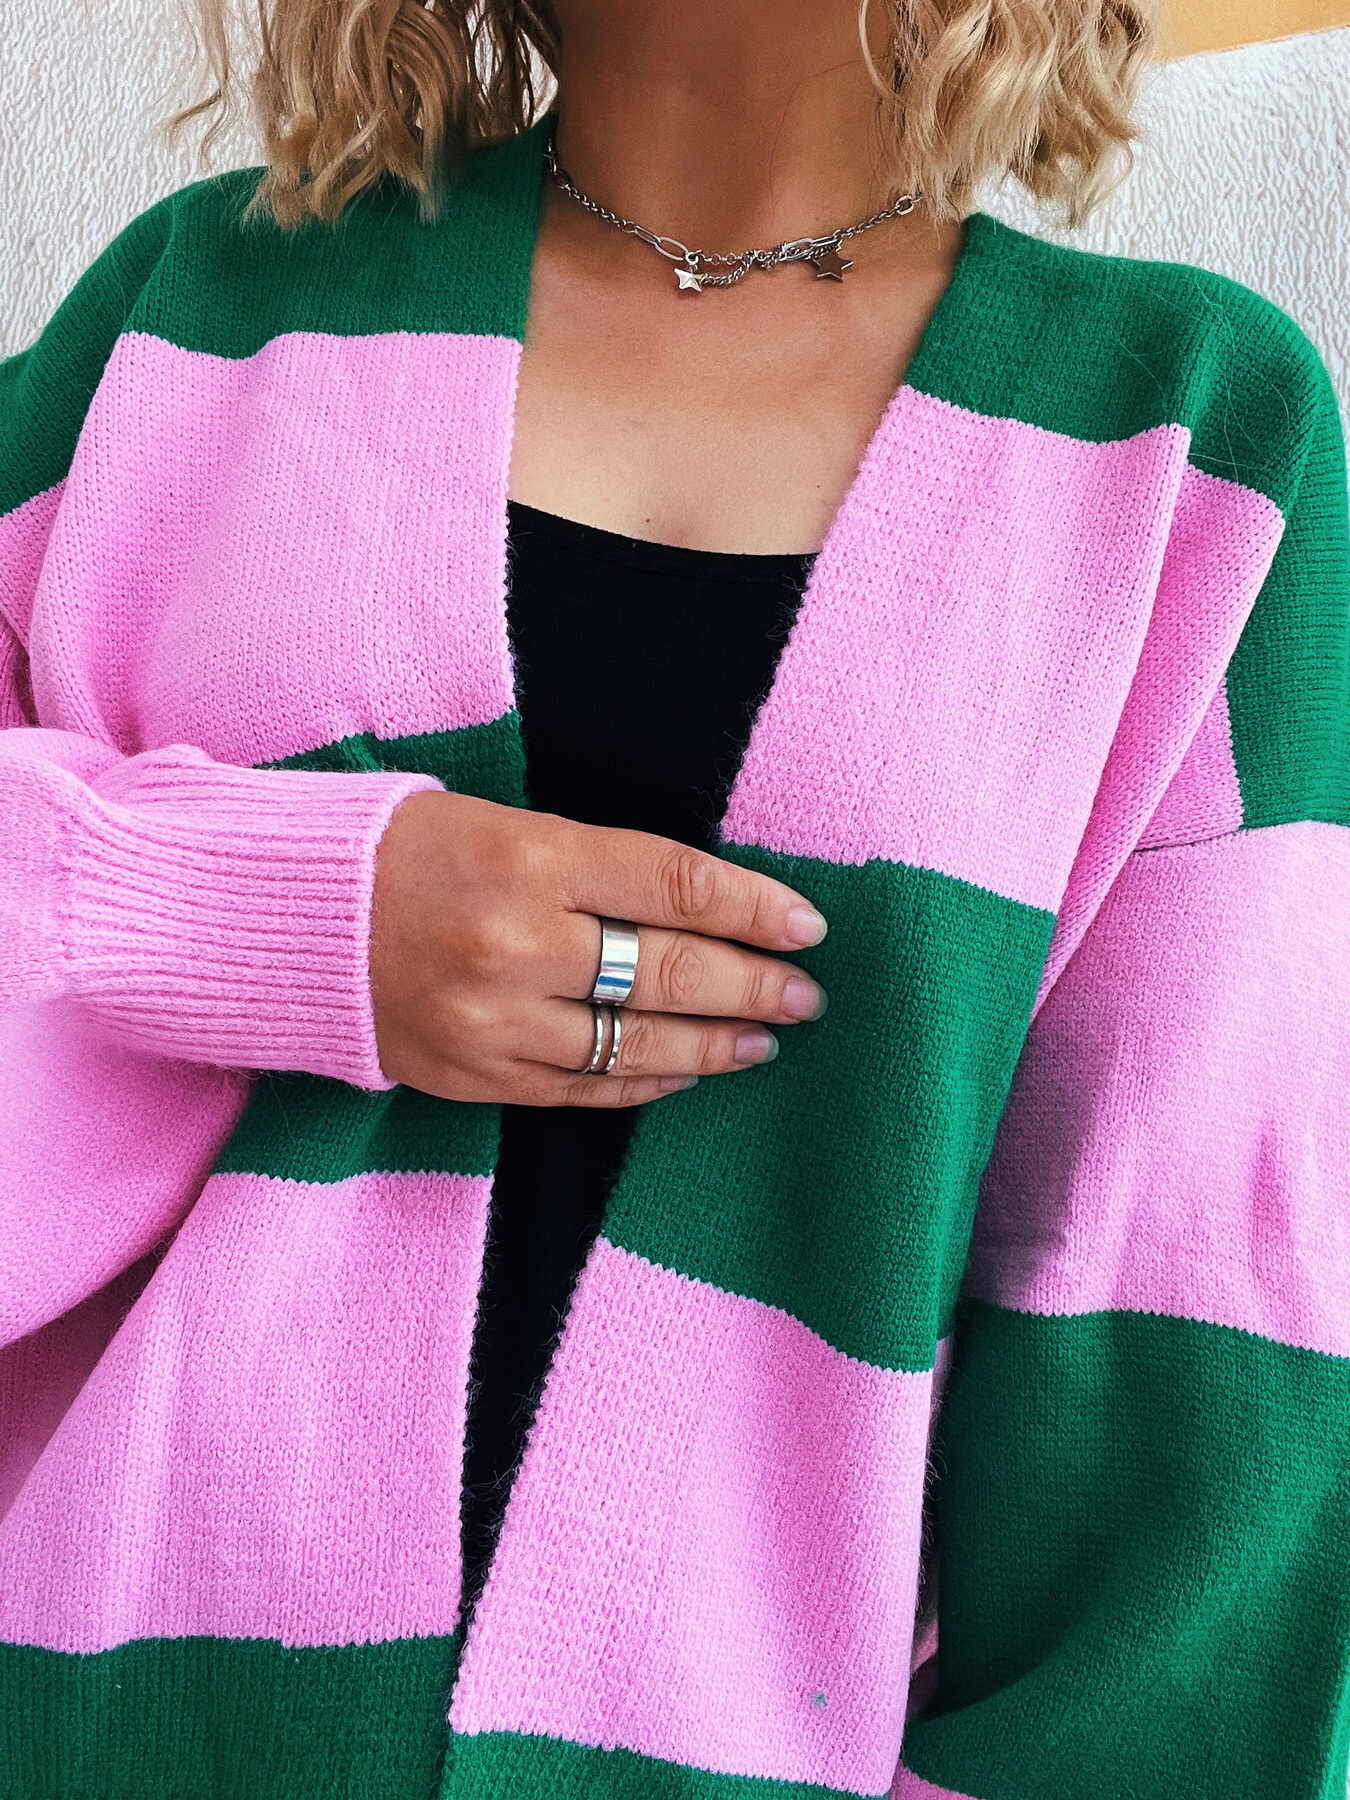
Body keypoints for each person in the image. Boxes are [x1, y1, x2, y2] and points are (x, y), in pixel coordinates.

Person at [1, 0, 1347, 1794]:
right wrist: (255, 917)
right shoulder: (203, 311)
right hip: (86, 1707)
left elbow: (1196, 1320)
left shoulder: (1186, 435)